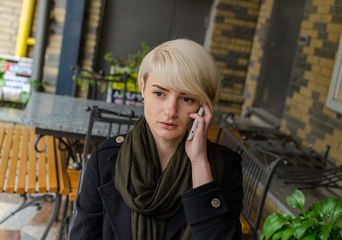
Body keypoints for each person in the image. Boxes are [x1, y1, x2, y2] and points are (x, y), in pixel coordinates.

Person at [69, 39, 243, 240]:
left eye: (187, 99)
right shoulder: (105, 160)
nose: (170, 111)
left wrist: (199, 163)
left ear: (205, 105)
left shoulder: (224, 166)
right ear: (143, 88)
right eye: (159, 93)